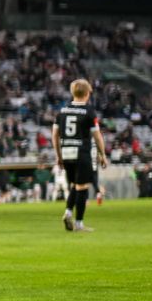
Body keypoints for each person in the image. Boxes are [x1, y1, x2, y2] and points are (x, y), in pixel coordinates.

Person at [52, 79, 108, 232]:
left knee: (73, 186)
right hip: (82, 152)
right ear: (87, 93)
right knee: (82, 187)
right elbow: (97, 136)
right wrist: (102, 154)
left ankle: (68, 212)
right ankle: (79, 224)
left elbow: (55, 135)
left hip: (66, 152)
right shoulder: (89, 112)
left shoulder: (62, 111)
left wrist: (58, 155)